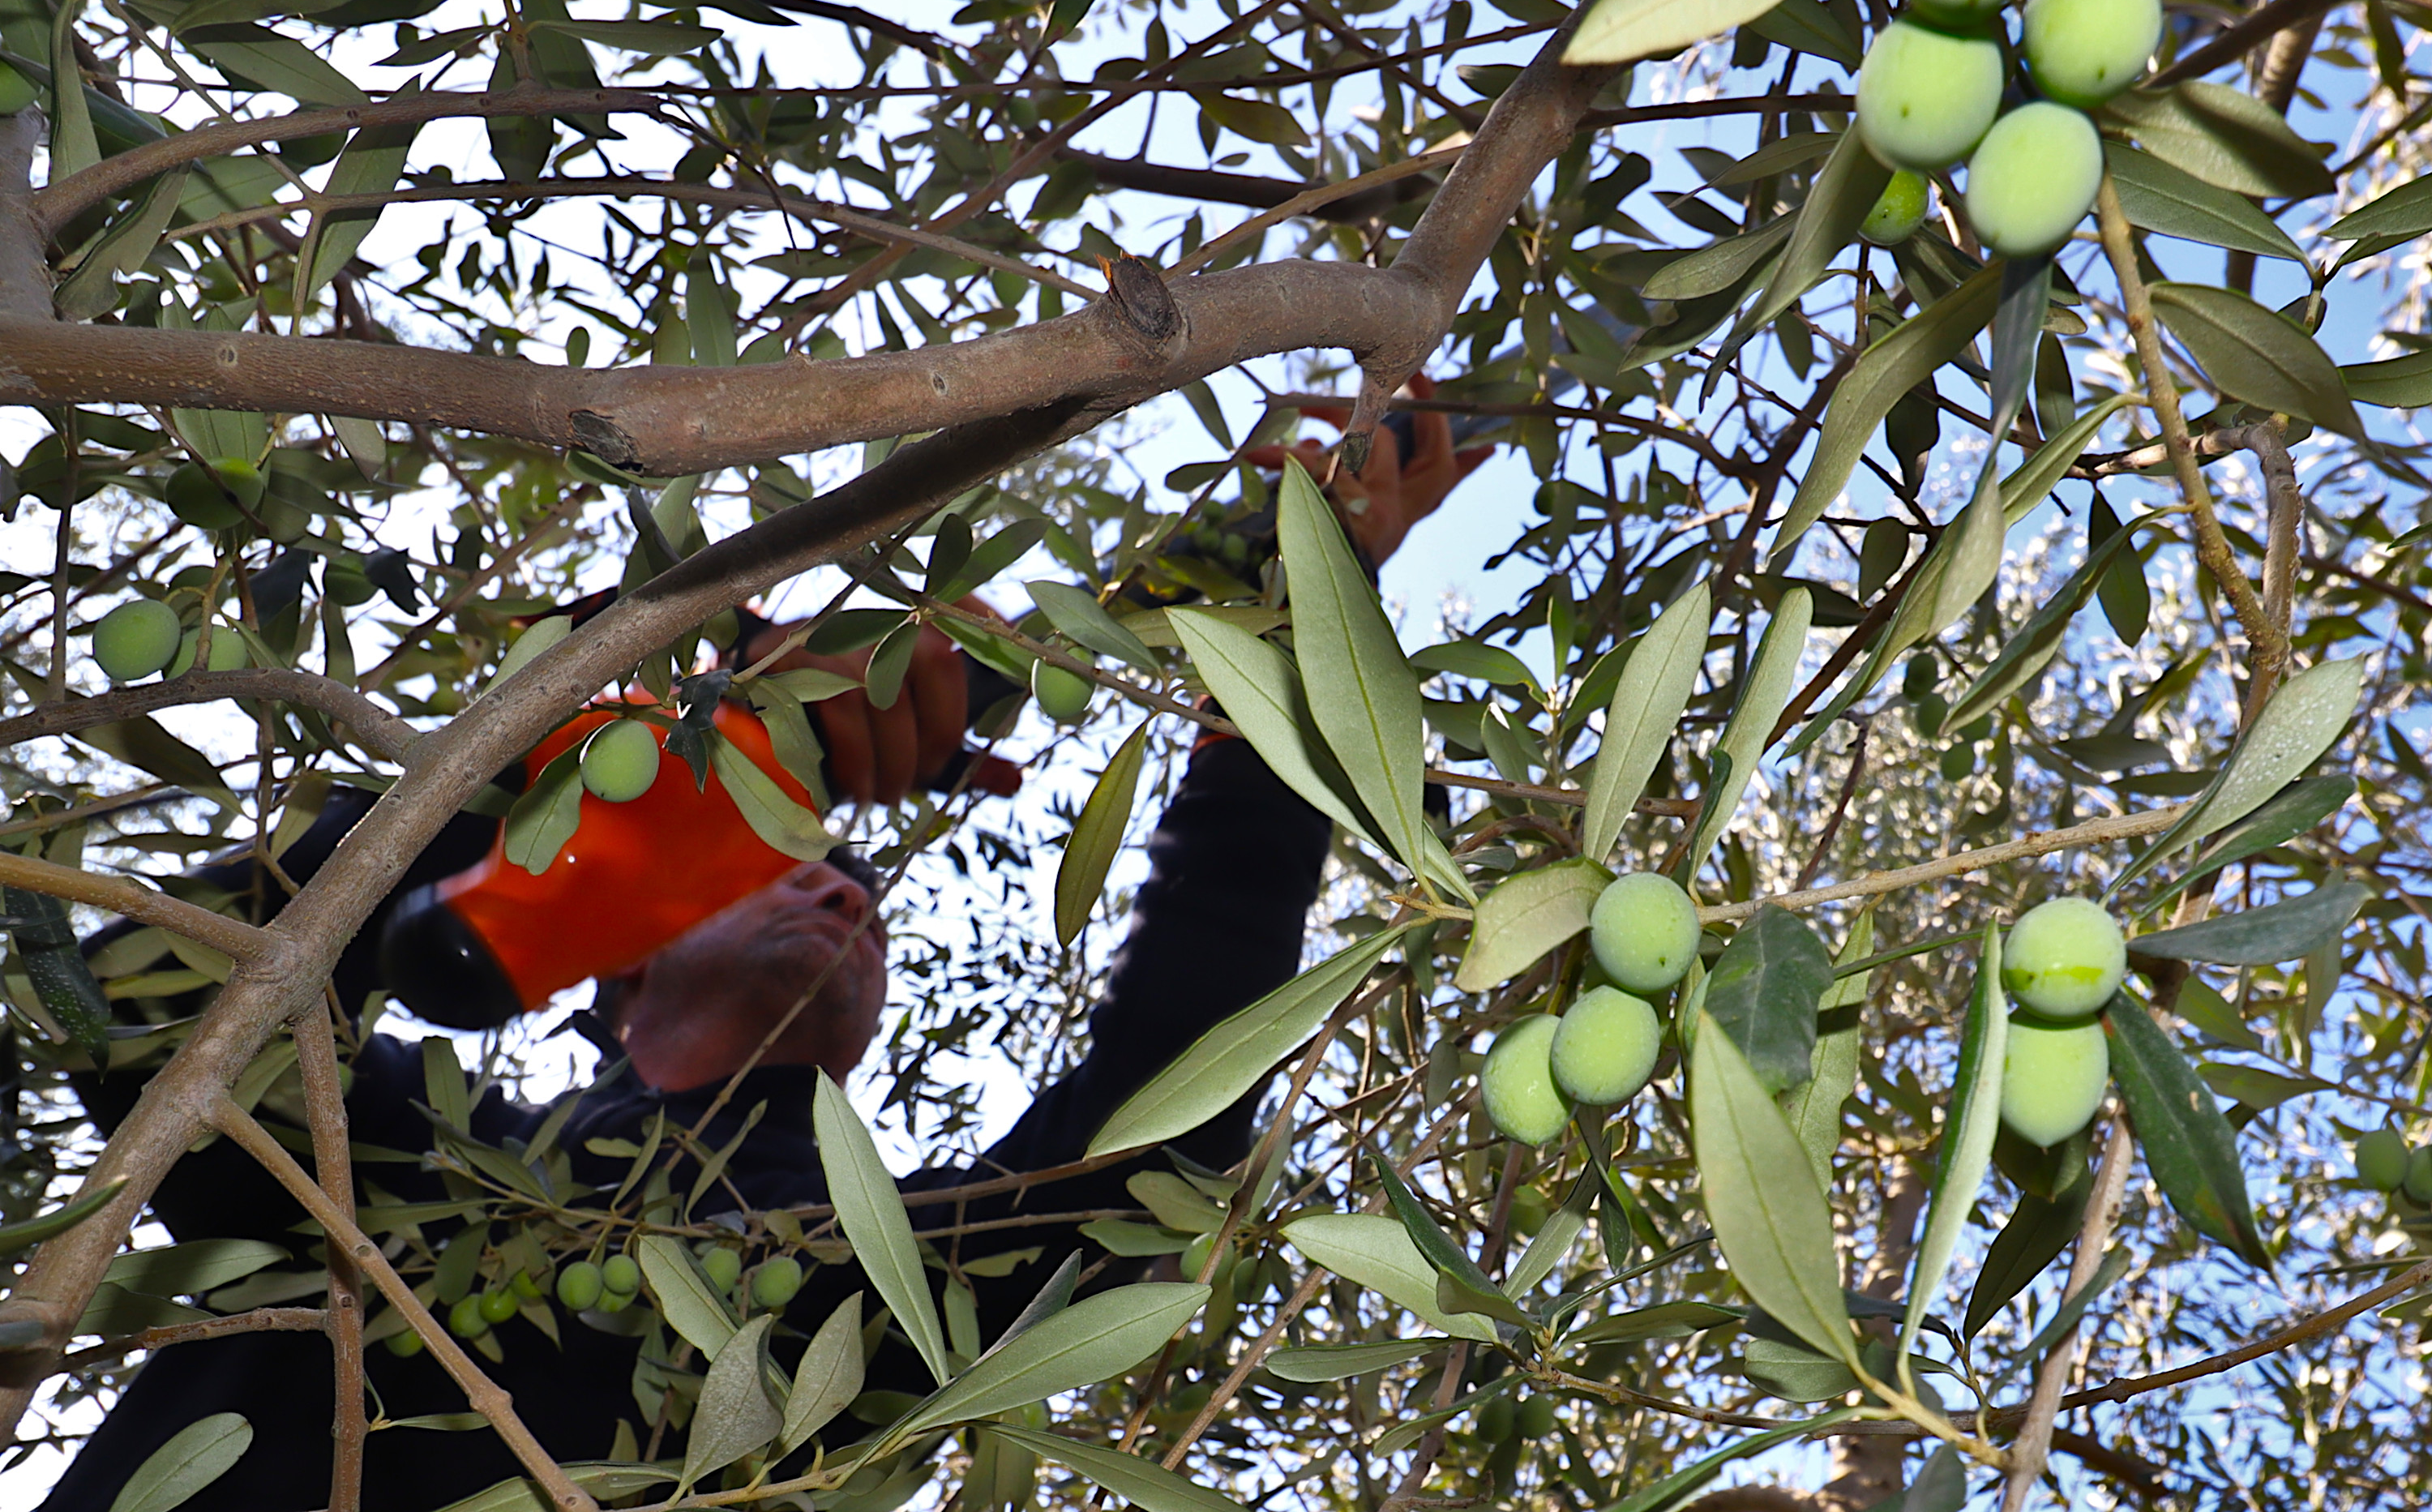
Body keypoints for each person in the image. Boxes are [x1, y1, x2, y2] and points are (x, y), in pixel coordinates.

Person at [35, 404, 1486, 1512]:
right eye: (788, 865)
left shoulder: (872, 1286)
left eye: (861, 897)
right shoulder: (408, 1160)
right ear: (626, 964)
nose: (848, 901)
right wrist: (621, 749)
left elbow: (1160, 1117)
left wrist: (1286, 646)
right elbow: (157, 1001)